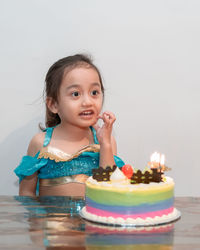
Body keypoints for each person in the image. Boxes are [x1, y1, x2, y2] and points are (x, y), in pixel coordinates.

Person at [14, 54, 125, 197]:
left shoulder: (107, 142)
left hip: (91, 218)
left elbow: (110, 191)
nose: (87, 102)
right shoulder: (41, 143)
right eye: (76, 94)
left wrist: (106, 145)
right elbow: (26, 193)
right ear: (54, 104)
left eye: (94, 92)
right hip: (49, 219)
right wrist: (37, 219)